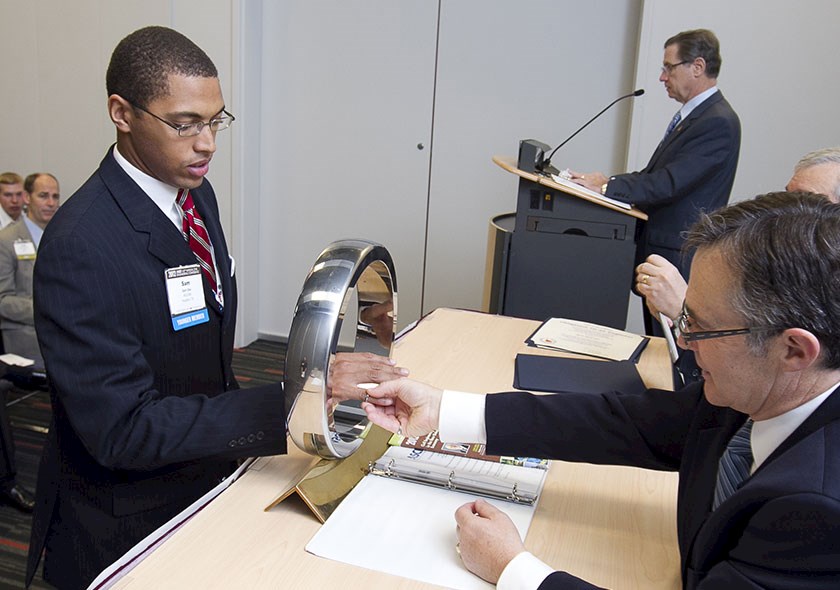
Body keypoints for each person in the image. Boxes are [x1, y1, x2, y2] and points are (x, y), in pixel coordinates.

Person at [25, 26, 407, 589]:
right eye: (184, 124)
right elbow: (122, 430)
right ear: (121, 113)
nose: (207, 144)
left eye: (215, 121)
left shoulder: (195, 194)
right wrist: (292, 402)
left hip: (206, 470)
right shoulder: (82, 243)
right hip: (127, 515)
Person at [364, 192, 840, 588]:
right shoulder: (761, 391)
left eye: (701, 327)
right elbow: (625, 423)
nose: (686, 345)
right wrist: (443, 409)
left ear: (794, 350)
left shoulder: (816, 510)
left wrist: (513, 569)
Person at [570, 29, 741, 336]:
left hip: (678, 257)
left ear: (697, 67)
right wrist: (605, 181)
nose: (663, 77)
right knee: (660, 345)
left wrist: (608, 188)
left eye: (668, 67)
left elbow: (668, 183)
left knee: (672, 350)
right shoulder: (696, 117)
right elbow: (654, 175)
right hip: (663, 252)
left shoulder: (717, 121)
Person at [636, 146, 840, 359]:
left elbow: (747, 376)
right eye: (789, 196)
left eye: (806, 200)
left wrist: (684, 314)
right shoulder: (771, 259)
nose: (786, 210)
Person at [0, 173, 60, 364]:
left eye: (55, 196)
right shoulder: (6, 240)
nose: (51, 203)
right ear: (27, 198)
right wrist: (48, 309)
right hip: (26, 337)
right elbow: (2, 300)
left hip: (64, 334)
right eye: (43, 196)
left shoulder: (62, 237)